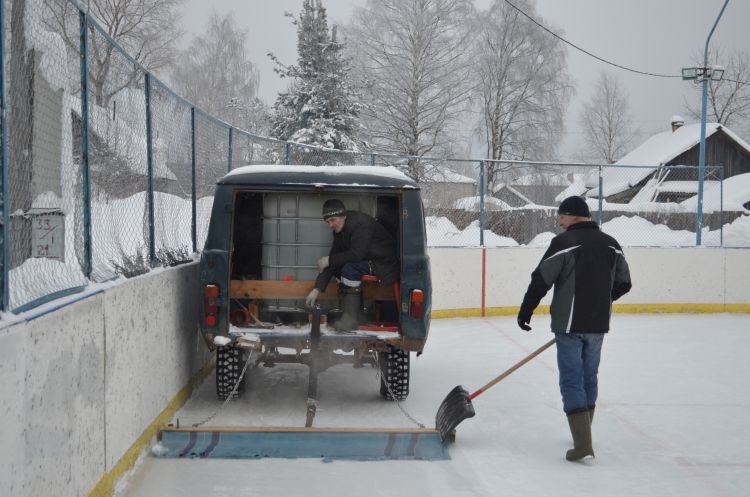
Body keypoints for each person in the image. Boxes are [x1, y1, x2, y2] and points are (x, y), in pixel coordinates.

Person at [517, 195, 632, 461]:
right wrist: (601, 300)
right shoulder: (611, 244)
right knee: (589, 376)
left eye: (562, 216)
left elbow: (541, 278)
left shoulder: (564, 242)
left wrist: (526, 309)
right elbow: (624, 283)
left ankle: (582, 444)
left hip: (569, 325)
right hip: (598, 324)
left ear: (573, 216)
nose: (559, 221)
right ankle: (584, 435)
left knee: (571, 379)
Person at [305, 199, 399, 331]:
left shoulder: (361, 224)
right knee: (339, 266)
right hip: (369, 260)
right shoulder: (340, 231)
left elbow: (357, 254)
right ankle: (358, 316)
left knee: (349, 269)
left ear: (343, 216)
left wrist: (330, 260)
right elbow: (334, 259)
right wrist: (317, 289)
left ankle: (350, 320)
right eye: (327, 222)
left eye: (332, 220)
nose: (330, 225)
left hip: (383, 262)